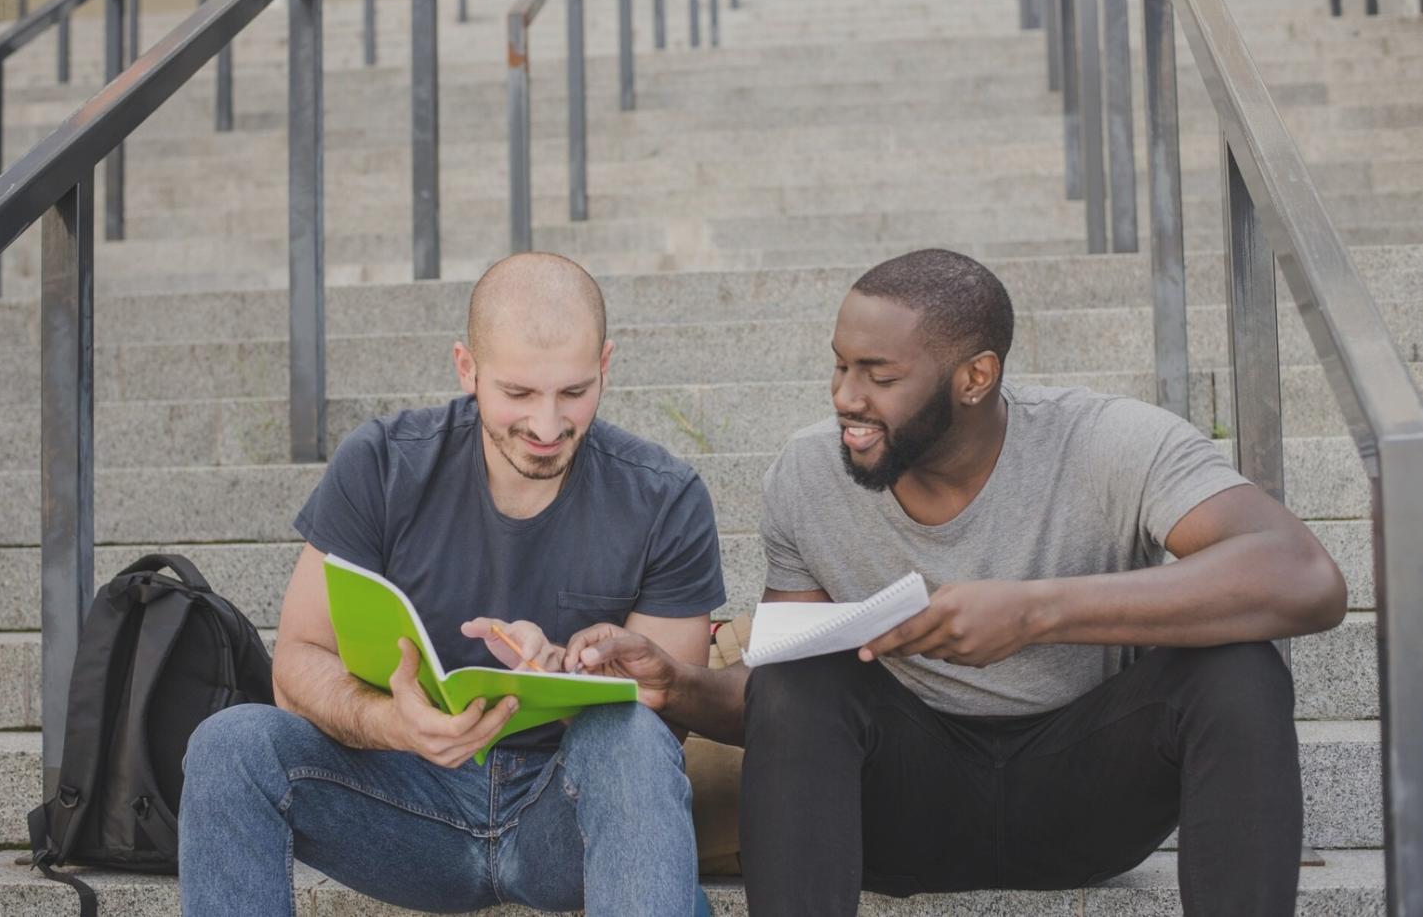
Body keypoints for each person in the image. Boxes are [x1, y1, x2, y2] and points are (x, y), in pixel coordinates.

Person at [564, 248, 1347, 917]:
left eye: (878, 375)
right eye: (839, 366)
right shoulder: (807, 475)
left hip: (1087, 798)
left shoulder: (1108, 443)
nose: (845, 396)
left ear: (974, 377)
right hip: (905, 814)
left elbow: (1303, 577)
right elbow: (775, 705)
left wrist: (1039, 611)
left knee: (1238, 666)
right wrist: (681, 686)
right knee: (799, 683)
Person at [178, 253, 725, 916]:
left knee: (630, 734)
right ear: (466, 367)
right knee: (229, 746)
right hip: (404, 807)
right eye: (518, 394)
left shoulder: (664, 497)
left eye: (574, 392)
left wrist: (566, 676)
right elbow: (297, 663)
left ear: (605, 365)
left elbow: (667, 714)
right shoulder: (382, 464)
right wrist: (393, 722)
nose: (548, 427)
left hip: (565, 823)